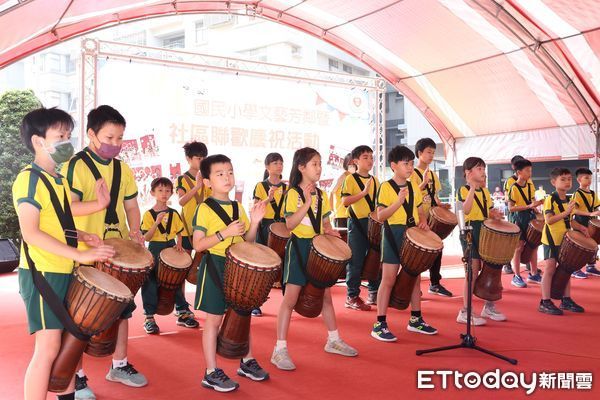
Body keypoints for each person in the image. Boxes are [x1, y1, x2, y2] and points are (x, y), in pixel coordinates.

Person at [14, 107, 115, 400]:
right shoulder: (29, 178)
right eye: (60, 136)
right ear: (38, 141)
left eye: (69, 135)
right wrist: (80, 255)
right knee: (47, 349)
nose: (68, 142)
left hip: (62, 269)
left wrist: (84, 236)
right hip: (42, 273)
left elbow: (60, 218)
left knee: (66, 345)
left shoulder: (57, 179)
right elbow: (31, 232)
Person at [62, 105, 148, 398]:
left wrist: (135, 231)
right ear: (91, 134)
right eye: (109, 136)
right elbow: (67, 209)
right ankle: (80, 376)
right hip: (86, 251)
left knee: (123, 310)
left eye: (120, 138)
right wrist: (97, 207)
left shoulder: (122, 168)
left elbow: (132, 206)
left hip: (119, 249)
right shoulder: (75, 166)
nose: (115, 143)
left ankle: (119, 365)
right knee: (81, 315)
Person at [271, 147, 358, 370]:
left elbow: (324, 222)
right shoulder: (292, 194)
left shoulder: (321, 194)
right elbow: (289, 225)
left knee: (326, 297)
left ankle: (333, 340)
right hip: (299, 248)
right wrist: (307, 202)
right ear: (301, 167)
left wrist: (329, 231)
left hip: (318, 248)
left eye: (320, 164)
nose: (319, 168)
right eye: (314, 164)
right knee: (290, 300)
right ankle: (279, 350)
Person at [192, 154, 269, 392]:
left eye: (230, 172)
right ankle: (210, 371)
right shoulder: (204, 208)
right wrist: (224, 233)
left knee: (241, 316)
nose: (227, 177)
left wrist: (255, 222)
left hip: (238, 268)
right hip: (215, 266)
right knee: (213, 321)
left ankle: (246, 361)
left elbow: (247, 241)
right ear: (207, 182)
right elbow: (197, 245)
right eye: (220, 174)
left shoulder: (237, 206)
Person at [371, 145, 438, 342]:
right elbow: (381, 216)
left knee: (414, 277)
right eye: (405, 163)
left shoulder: (412, 187)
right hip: (393, 233)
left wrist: (423, 220)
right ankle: (379, 323)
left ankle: (416, 319)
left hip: (411, 233)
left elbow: (420, 209)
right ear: (393, 166)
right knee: (389, 279)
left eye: (411, 163)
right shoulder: (385, 187)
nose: (410, 167)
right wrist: (398, 203)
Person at [141, 177, 198, 333]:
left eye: (167, 191)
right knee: (150, 280)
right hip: (155, 248)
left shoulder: (174, 213)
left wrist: (179, 243)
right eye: (160, 190)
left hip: (171, 246)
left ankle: (182, 311)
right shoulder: (148, 215)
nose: (164, 194)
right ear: (153, 193)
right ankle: (149, 317)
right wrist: (156, 223)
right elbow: (146, 237)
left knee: (176, 280)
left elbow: (179, 232)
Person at [456, 157, 506, 325]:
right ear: (468, 172)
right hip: (470, 231)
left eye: (483, 168)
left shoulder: (485, 191)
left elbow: (488, 210)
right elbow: (466, 209)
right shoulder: (462, 190)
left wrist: (496, 214)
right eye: (479, 168)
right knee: (472, 272)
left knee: (490, 269)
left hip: (485, 231)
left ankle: (488, 306)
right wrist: (471, 188)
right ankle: (465, 311)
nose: (483, 171)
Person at [539, 168, 588, 315]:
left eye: (569, 179)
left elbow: (569, 221)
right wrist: (566, 212)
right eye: (563, 179)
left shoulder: (568, 199)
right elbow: (549, 220)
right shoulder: (550, 199)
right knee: (550, 269)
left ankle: (566, 300)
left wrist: (581, 227)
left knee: (566, 269)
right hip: (551, 239)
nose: (567, 182)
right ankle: (545, 301)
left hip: (565, 239)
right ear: (554, 182)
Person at [410, 138, 453, 297]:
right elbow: (410, 195)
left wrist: (441, 206)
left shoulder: (433, 175)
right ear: (419, 153)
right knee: (417, 254)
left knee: (437, 250)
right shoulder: (412, 173)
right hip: (416, 219)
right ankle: (414, 286)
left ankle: (435, 283)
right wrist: (423, 182)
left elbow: (433, 196)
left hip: (431, 219)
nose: (431, 155)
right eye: (428, 152)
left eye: (433, 153)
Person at [175, 141, 210, 326]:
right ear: (189, 159)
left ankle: (204, 301)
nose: (202, 160)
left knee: (203, 267)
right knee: (183, 267)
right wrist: (197, 186)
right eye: (198, 158)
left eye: (204, 157)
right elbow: (181, 201)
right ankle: (181, 308)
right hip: (187, 229)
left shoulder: (209, 177)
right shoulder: (183, 179)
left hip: (206, 229)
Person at [341, 145, 380, 309]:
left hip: (374, 224)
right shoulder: (350, 179)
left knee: (374, 258)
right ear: (355, 161)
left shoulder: (375, 180)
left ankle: (373, 291)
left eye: (371, 157)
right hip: (357, 224)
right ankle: (352, 296)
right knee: (355, 261)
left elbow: (379, 203)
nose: (370, 160)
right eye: (365, 157)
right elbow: (345, 202)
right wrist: (363, 193)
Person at [252, 152, 287, 316]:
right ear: (267, 167)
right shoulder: (260, 185)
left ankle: (289, 302)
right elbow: (255, 208)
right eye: (275, 163)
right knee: (263, 265)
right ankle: (255, 303)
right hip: (265, 226)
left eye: (281, 163)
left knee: (286, 263)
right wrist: (268, 198)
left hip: (283, 227)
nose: (279, 165)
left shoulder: (287, 187)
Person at [507, 159, 543, 288]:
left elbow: (532, 201)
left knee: (534, 245)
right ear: (519, 172)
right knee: (518, 247)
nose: (530, 173)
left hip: (529, 216)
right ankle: (516, 276)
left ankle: (534, 273)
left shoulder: (529, 185)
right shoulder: (513, 187)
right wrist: (529, 205)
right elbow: (511, 208)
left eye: (530, 170)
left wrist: (537, 206)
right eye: (527, 171)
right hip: (518, 218)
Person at [571, 168, 600, 278]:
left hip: (592, 222)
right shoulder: (577, 194)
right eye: (586, 178)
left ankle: (591, 267)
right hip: (580, 222)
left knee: (593, 244)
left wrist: (596, 213)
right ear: (579, 180)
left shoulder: (593, 193)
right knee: (580, 246)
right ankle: (575, 269)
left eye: (590, 178)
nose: (589, 180)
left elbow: (596, 206)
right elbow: (574, 210)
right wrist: (590, 214)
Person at [329, 153, 355, 230]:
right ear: (346, 164)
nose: (352, 165)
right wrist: (331, 210)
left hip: (352, 215)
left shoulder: (355, 177)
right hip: (341, 215)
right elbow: (332, 192)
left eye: (354, 163)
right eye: (350, 163)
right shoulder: (344, 176)